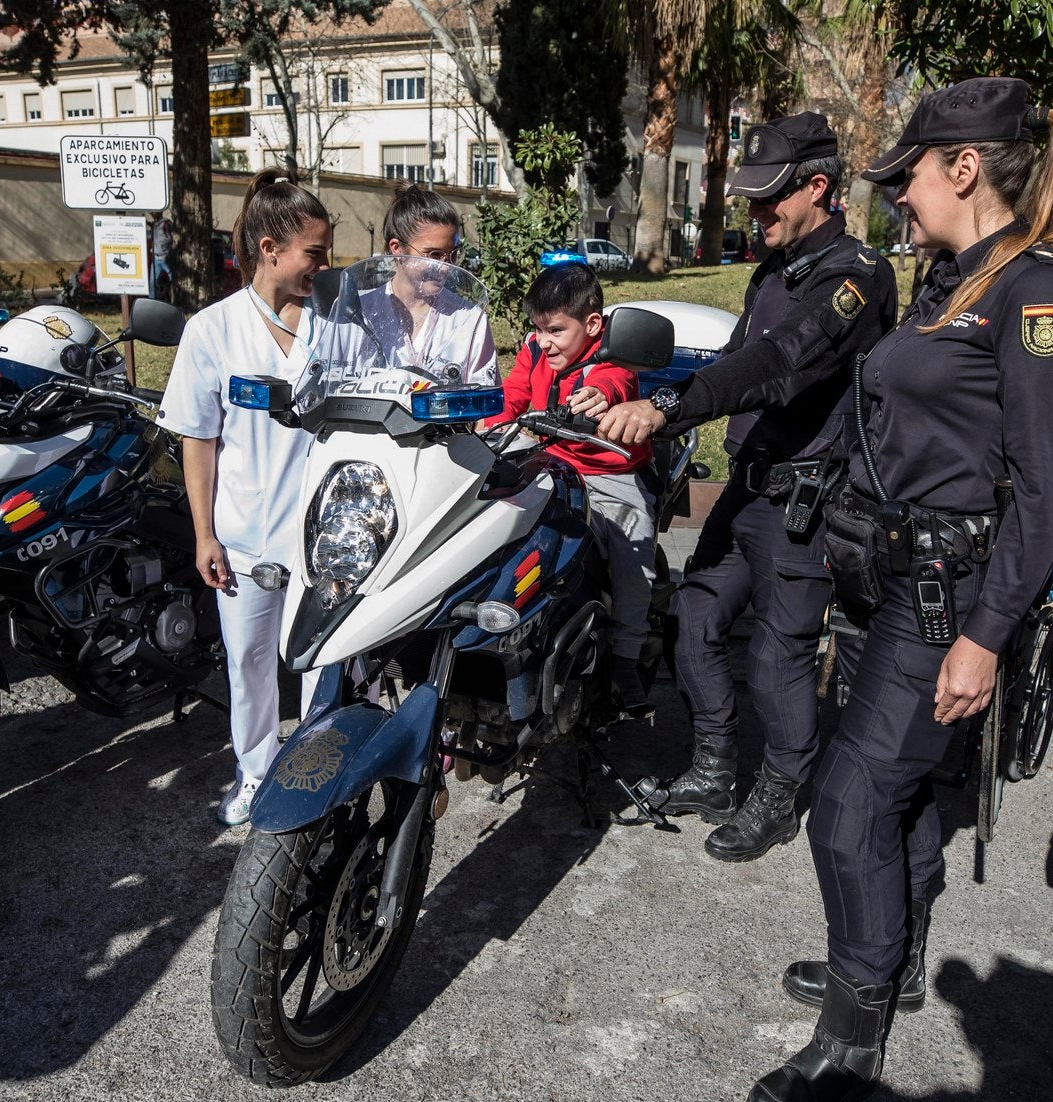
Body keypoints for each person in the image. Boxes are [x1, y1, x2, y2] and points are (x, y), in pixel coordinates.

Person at [745, 77, 1053, 1102]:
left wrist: (987, 634)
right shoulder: (954, 277)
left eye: (909, 176)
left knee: (848, 803)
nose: (898, 195)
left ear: (965, 167)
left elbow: (1048, 490)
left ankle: (853, 1037)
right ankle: (886, 965)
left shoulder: (1033, 296)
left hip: (949, 596)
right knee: (887, 797)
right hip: (885, 575)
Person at [591, 112, 896, 863]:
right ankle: (715, 770)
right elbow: (730, 362)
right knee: (694, 619)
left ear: (818, 187)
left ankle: (780, 793)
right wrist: (641, 394)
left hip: (810, 504)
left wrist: (665, 407)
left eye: (769, 200)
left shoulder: (855, 279)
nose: (755, 214)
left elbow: (779, 364)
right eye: (751, 201)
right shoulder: (773, 269)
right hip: (749, 489)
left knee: (777, 654)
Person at [158, 169, 333, 826]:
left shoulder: (333, 328)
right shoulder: (213, 331)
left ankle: (318, 773)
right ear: (269, 248)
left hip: (324, 537)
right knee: (251, 664)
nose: (323, 264)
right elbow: (197, 442)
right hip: (247, 534)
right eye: (314, 251)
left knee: (324, 663)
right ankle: (256, 775)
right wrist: (205, 535)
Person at [483, 263, 657, 713]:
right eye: (539, 329)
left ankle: (626, 658)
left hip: (608, 474)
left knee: (631, 555)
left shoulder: (612, 356)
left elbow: (612, 382)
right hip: (547, 467)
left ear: (593, 324)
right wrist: (484, 420)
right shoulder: (535, 350)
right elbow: (513, 395)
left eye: (557, 330)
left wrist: (600, 397)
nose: (545, 341)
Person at [358, 183, 494, 386]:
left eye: (453, 254)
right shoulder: (359, 314)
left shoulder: (469, 319)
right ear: (397, 248)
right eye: (434, 255)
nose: (446, 267)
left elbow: (484, 405)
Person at [149, 211, 173, 301]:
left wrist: (164, 249)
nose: (151, 213)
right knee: (152, 283)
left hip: (164, 258)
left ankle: (172, 300)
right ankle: (152, 301)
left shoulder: (165, 223)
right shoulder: (155, 224)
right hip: (156, 258)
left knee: (172, 280)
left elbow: (171, 238)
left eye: (153, 212)